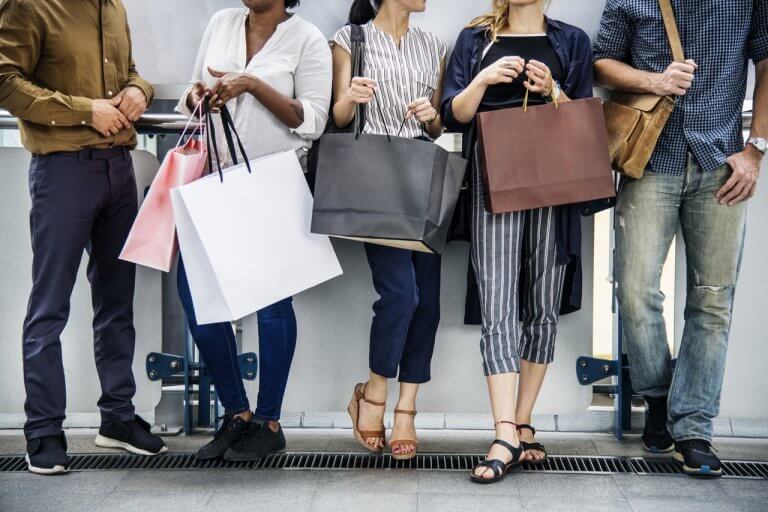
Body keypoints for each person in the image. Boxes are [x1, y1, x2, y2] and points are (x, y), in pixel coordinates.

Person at [593, 0, 767, 478]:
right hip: (649, 158)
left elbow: (766, 60)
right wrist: (655, 81)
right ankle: (660, 397)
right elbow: (601, 61)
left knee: (712, 300)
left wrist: (757, 149)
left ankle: (692, 428)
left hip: (723, 160)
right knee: (634, 290)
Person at [0, 0, 167, 474]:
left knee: (117, 301)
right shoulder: (29, 4)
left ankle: (116, 417)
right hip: (62, 173)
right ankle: (43, 431)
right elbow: (5, 81)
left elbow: (131, 73)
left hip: (119, 171)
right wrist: (83, 111)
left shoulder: (113, 6)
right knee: (49, 305)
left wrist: (139, 90)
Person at [441, 0, 593, 483]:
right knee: (498, 301)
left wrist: (553, 90)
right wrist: (484, 80)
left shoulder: (571, 41)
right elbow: (452, 115)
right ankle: (503, 430)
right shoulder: (475, 39)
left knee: (544, 302)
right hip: (494, 176)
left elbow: (586, 118)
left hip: (555, 180)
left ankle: (523, 422)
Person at [175, 0, 331, 461]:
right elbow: (190, 88)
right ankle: (236, 413)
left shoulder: (307, 39)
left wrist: (251, 85)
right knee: (197, 297)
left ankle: (269, 421)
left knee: (271, 306)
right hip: (214, 182)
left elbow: (314, 120)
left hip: (275, 185)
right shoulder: (221, 22)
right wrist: (198, 97)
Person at [331, 0, 448, 460]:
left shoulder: (434, 44)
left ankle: (406, 410)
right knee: (401, 294)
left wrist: (429, 115)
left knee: (430, 301)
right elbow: (339, 117)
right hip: (374, 179)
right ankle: (374, 390)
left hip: (422, 176)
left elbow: (439, 126)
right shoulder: (350, 39)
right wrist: (352, 98)